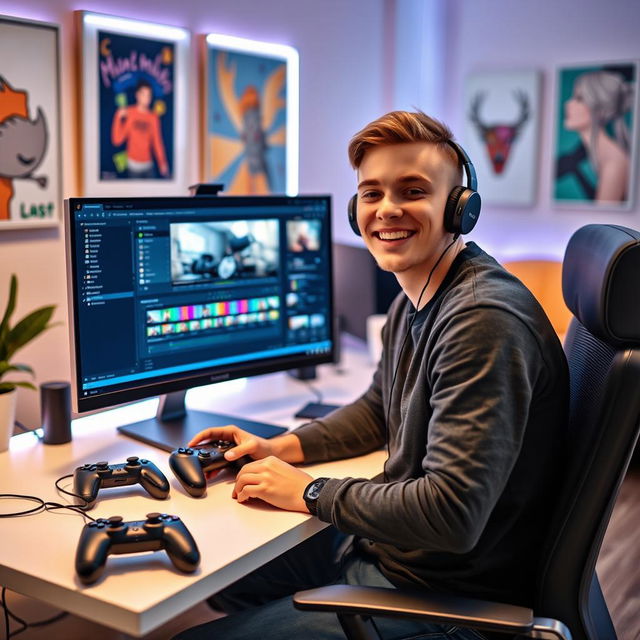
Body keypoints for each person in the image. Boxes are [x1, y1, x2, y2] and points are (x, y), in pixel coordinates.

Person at [174, 111, 569, 640]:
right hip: (391, 555)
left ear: (460, 208)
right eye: (371, 193)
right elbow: (379, 408)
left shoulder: (481, 320)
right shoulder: (419, 292)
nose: (387, 210)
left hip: (444, 597)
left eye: (412, 190)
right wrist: (281, 448)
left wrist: (311, 492)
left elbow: (452, 512)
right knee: (219, 574)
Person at [556, 69, 633, 203]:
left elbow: (602, 219)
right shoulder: (602, 158)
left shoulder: (614, 163)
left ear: (600, 109)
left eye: (579, 99)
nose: (568, 104)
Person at [111, 79, 169, 179]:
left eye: (149, 95)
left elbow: (157, 142)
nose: (146, 98)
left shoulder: (153, 117)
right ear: (137, 95)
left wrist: (162, 162)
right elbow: (117, 140)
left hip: (148, 166)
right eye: (143, 94)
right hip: (133, 167)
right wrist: (118, 117)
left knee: (152, 194)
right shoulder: (129, 113)